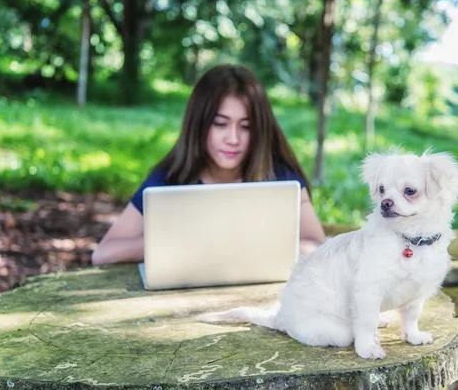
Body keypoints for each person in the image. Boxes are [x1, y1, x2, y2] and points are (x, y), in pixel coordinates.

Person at [91, 64, 326, 265]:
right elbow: (103, 254)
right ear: (200, 125)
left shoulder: (280, 177)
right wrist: (175, 242)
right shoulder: (171, 177)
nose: (233, 138)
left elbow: (318, 246)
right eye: (220, 124)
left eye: (246, 127)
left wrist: (252, 244)